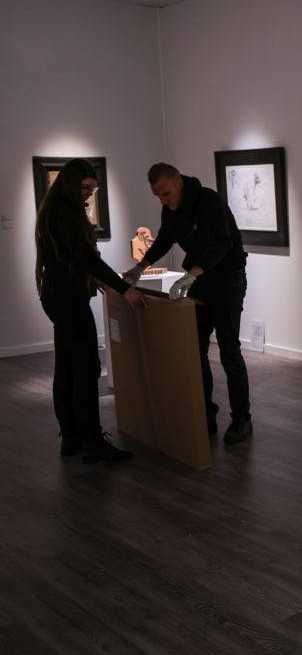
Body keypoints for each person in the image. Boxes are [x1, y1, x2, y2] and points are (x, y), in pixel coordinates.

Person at [124, 163, 253, 445]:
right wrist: (141, 267)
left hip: (228, 280)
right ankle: (205, 413)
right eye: (158, 196)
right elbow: (165, 239)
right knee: (196, 350)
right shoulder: (171, 211)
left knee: (230, 350)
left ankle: (242, 419)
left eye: (167, 194)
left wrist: (192, 274)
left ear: (179, 181)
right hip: (200, 282)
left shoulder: (209, 201)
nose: (164, 200)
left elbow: (222, 242)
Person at [35, 158, 148, 463]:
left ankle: (71, 438)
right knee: (85, 370)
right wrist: (125, 288)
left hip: (57, 297)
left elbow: (73, 260)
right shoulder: (66, 214)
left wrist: (95, 280)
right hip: (68, 301)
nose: (89, 194)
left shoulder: (52, 211)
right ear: (71, 184)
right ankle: (92, 443)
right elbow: (87, 259)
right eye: (85, 187)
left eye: (93, 188)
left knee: (68, 367)